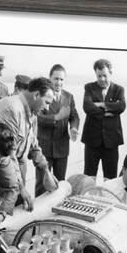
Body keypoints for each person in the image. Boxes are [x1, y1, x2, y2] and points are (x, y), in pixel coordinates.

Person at [0, 77, 58, 208]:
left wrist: (46, 170)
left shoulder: (32, 112)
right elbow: (7, 155)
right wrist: (21, 188)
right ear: (36, 95)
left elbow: (33, 145)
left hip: (14, 177)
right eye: (46, 102)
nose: (47, 108)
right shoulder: (11, 109)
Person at [36, 64, 80, 195]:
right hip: (44, 147)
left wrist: (73, 128)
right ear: (49, 79)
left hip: (62, 147)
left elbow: (74, 116)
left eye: (61, 79)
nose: (58, 82)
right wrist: (57, 117)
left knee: (60, 183)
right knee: (41, 184)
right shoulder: (41, 95)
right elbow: (38, 118)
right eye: (56, 79)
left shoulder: (69, 97)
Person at [81, 59, 126, 180]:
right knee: (89, 178)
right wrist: (109, 112)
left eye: (104, 76)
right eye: (99, 76)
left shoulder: (119, 89)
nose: (101, 79)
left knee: (111, 179)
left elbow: (121, 106)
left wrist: (101, 104)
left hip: (111, 142)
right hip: (92, 141)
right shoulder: (89, 87)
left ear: (110, 73)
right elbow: (87, 107)